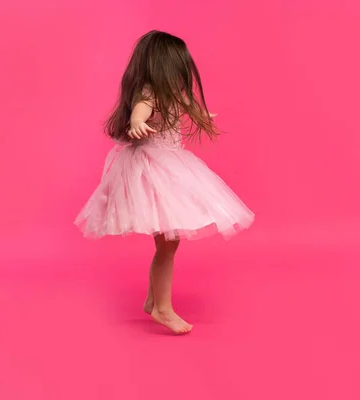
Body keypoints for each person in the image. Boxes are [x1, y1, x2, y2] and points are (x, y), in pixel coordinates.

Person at [74, 31, 254, 334]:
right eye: (176, 70)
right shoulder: (149, 94)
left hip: (171, 167)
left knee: (168, 243)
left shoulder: (170, 92)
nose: (180, 77)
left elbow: (187, 106)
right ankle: (162, 308)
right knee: (167, 245)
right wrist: (136, 123)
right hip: (153, 170)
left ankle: (151, 300)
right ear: (161, 67)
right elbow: (139, 112)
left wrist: (202, 115)